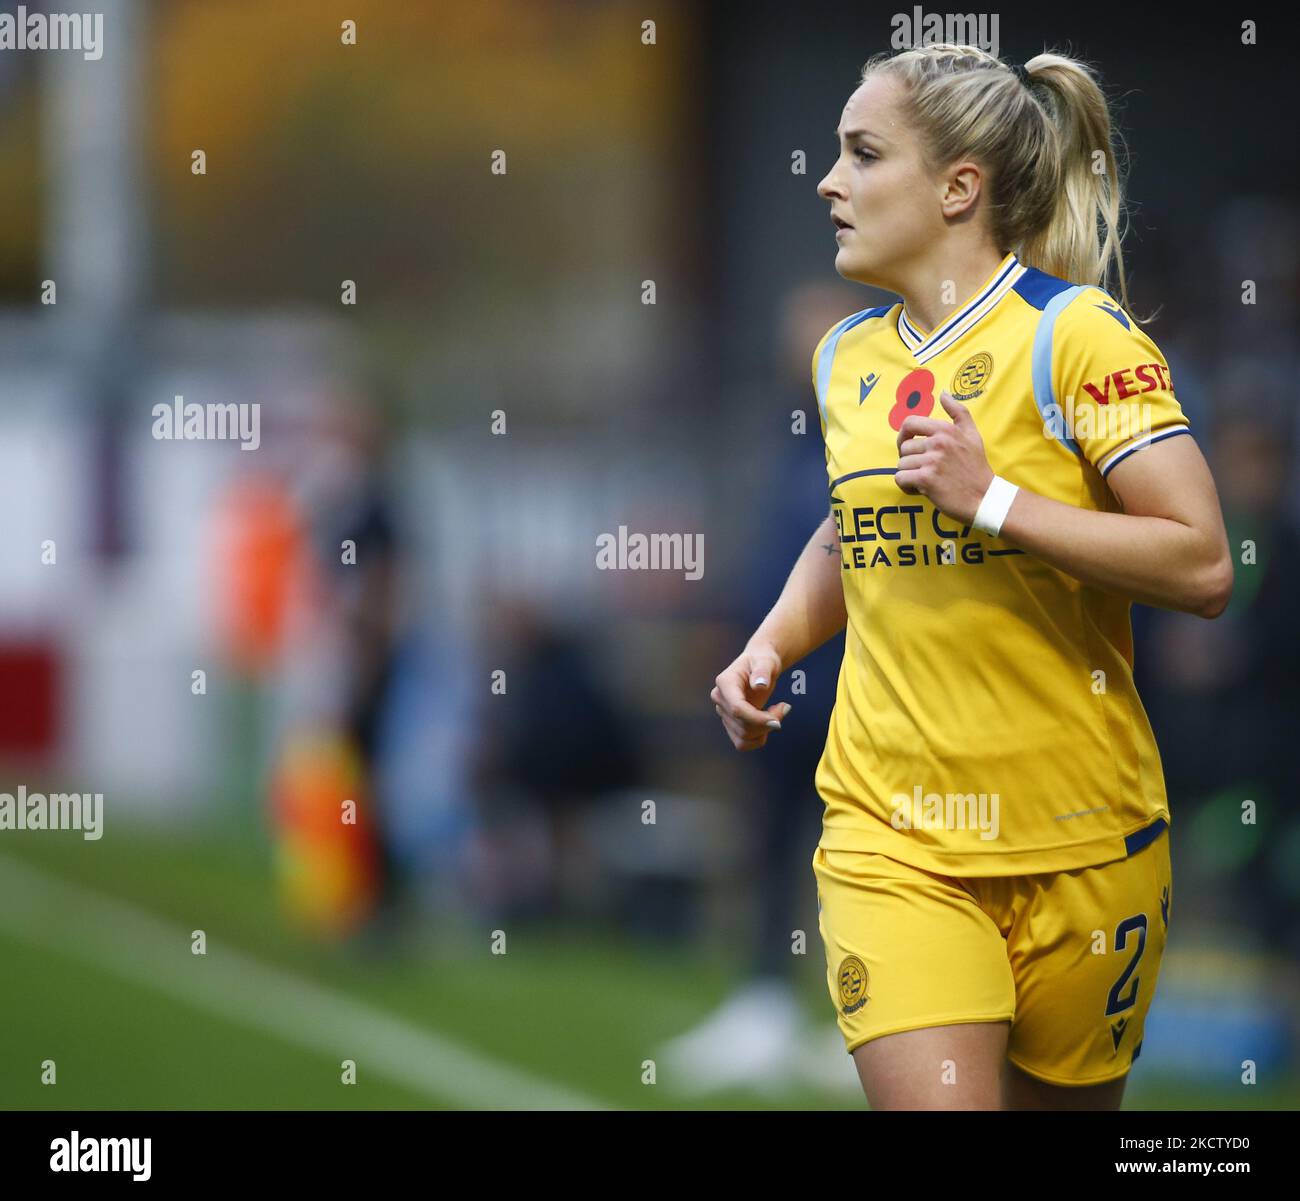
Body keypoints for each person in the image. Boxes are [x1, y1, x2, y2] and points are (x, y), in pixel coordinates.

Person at [710, 44, 1233, 1111]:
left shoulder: (1073, 336)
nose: (827, 180)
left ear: (958, 188)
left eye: (862, 154)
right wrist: (770, 643)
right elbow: (851, 531)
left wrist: (992, 498)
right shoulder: (846, 356)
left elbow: (1201, 558)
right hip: (889, 838)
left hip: (1086, 844)